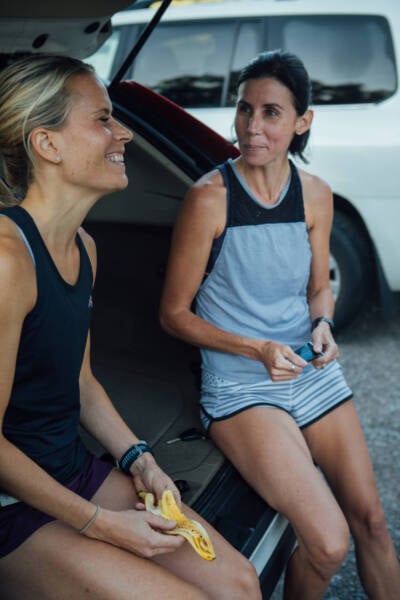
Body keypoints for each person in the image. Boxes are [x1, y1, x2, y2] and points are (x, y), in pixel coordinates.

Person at [0, 54, 261, 600]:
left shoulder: (85, 248)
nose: (124, 134)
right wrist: (99, 523)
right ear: (47, 145)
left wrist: (140, 458)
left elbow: (82, 381)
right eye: (102, 119)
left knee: (239, 584)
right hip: (10, 504)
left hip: (68, 470)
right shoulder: (6, 259)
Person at [159, 49, 400, 599]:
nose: (251, 126)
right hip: (241, 384)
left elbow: (319, 288)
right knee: (329, 542)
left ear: (302, 122)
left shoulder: (315, 194)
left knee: (374, 524)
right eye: (245, 110)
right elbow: (172, 315)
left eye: (271, 112)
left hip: (307, 369)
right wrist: (256, 349)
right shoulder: (208, 200)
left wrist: (324, 325)